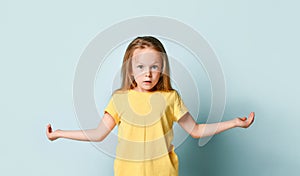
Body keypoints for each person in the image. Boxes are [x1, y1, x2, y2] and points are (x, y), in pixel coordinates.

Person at [46, 36, 255, 176]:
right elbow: (98, 133)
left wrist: (235, 123)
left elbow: (197, 130)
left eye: (154, 67)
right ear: (130, 70)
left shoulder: (170, 98)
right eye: (141, 67)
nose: (148, 73)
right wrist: (59, 133)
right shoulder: (120, 99)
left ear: (162, 68)